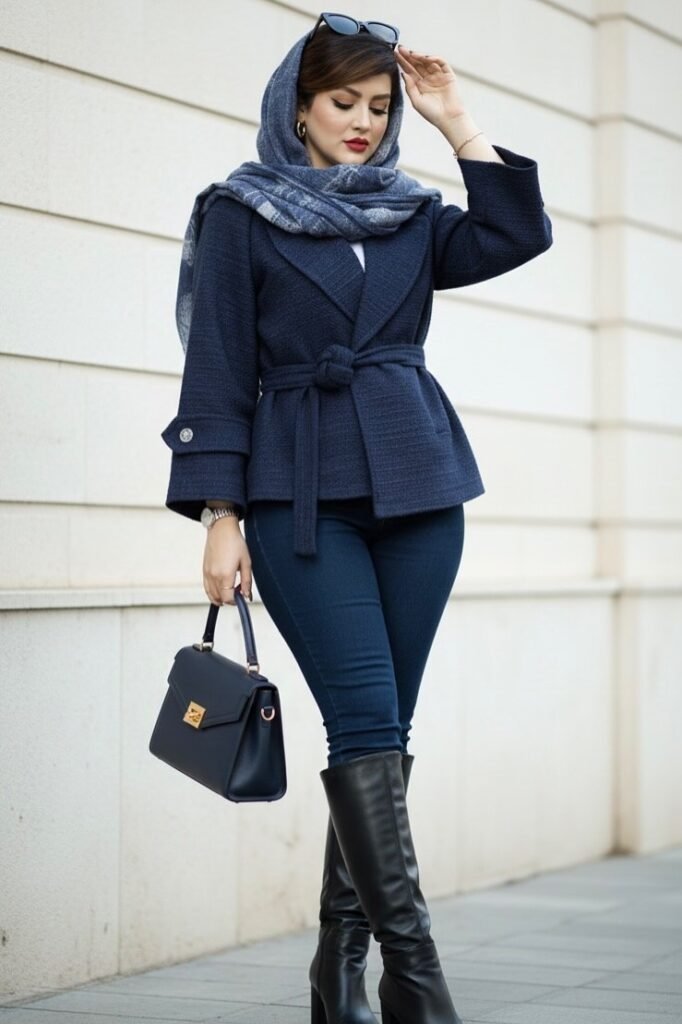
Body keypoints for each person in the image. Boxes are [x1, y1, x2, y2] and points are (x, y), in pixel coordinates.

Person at [161, 12, 553, 1024]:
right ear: (296, 103)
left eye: (379, 109)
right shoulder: (238, 213)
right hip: (299, 499)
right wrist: (219, 511)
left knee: (374, 732)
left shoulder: (413, 211)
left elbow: (514, 233)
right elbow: (216, 369)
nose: (364, 125)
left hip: (420, 492)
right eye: (344, 103)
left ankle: (338, 969)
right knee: (367, 724)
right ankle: (416, 982)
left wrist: (456, 122)